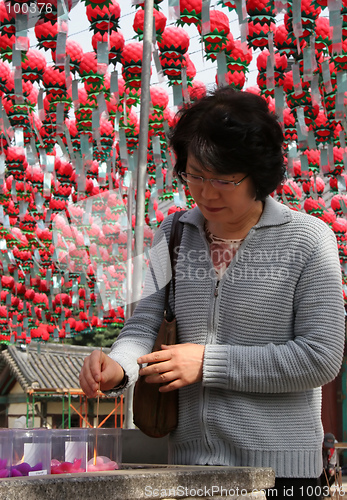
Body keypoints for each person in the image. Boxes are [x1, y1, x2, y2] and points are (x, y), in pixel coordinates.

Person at [79, 87, 345, 500]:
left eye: (223, 178)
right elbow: (145, 323)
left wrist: (207, 363)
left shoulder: (309, 241)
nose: (206, 192)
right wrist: (118, 368)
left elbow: (320, 357)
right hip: (187, 469)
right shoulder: (171, 236)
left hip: (282, 475)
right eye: (195, 175)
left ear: (259, 173)